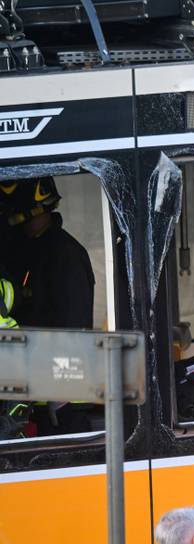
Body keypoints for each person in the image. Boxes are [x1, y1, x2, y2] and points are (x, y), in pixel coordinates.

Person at [0, 176, 95, 435]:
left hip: (63, 401)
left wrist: (62, 391)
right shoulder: (34, 250)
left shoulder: (64, 254)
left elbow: (73, 325)